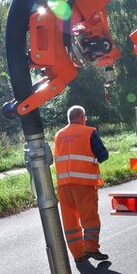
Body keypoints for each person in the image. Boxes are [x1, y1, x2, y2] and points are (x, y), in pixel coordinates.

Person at [53, 105, 109, 263]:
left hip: (64, 185)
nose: (86, 120)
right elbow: (103, 155)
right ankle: (91, 247)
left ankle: (78, 254)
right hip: (84, 183)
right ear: (81, 117)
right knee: (89, 217)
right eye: (85, 117)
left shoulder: (58, 135)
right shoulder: (89, 132)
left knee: (70, 220)